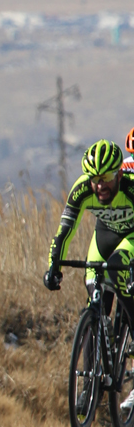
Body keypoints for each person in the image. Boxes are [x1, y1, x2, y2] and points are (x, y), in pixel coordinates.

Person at [43, 139, 134, 326]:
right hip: (105, 235)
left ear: (119, 175)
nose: (100, 186)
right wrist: (54, 266)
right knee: (94, 285)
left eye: (107, 178)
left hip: (131, 237)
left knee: (117, 268)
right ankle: (96, 337)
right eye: (95, 179)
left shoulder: (130, 188)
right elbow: (64, 233)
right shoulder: (82, 190)